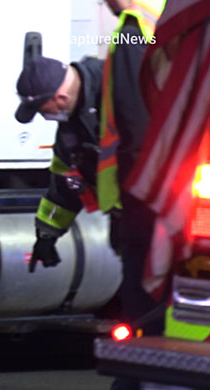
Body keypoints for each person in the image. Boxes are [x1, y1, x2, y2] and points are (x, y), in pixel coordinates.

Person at [97, 0, 166, 335]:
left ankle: (141, 373)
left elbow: (133, 117)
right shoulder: (163, 13)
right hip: (172, 182)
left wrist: (135, 195)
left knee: (141, 294)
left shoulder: (131, 29)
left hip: (143, 189)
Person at [14, 55, 104, 273]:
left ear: (60, 98)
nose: (45, 117)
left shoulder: (117, 87)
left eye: (44, 111)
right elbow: (66, 181)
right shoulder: (72, 126)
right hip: (132, 221)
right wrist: (46, 235)